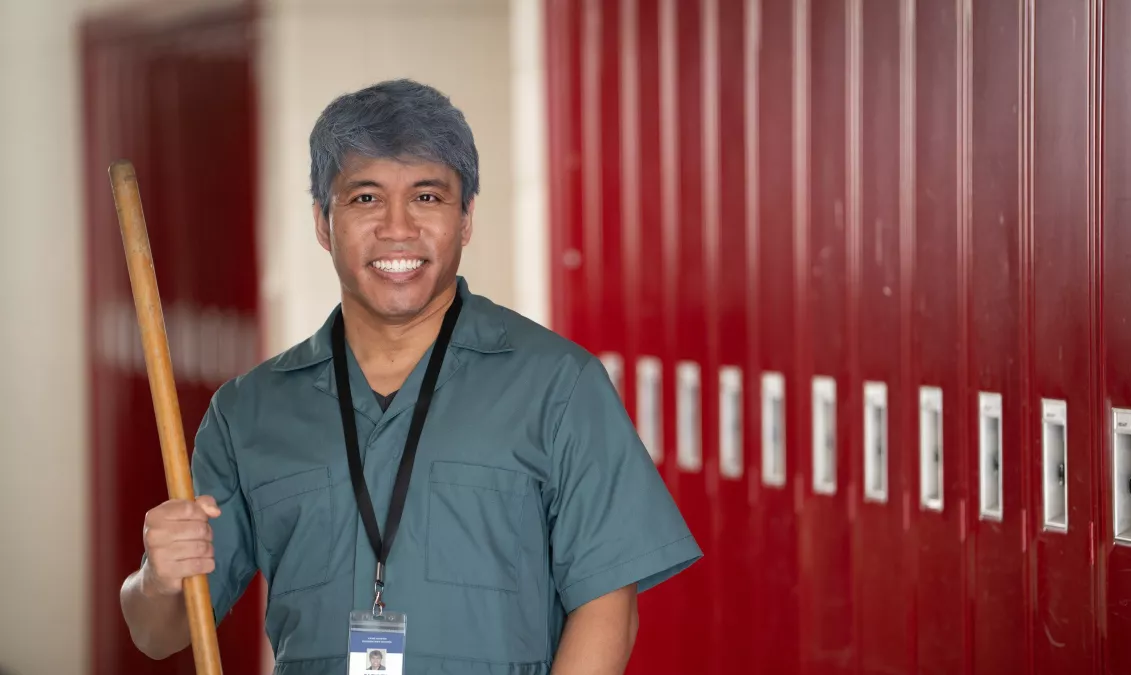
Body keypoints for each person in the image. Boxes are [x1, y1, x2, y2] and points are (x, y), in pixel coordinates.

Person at [118, 78, 701, 674]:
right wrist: (158, 578)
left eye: (427, 198)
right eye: (365, 199)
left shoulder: (559, 386)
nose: (398, 229)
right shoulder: (249, 411)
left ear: (466, 218)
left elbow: (608, 606)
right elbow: (158, 634)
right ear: (323, 221)